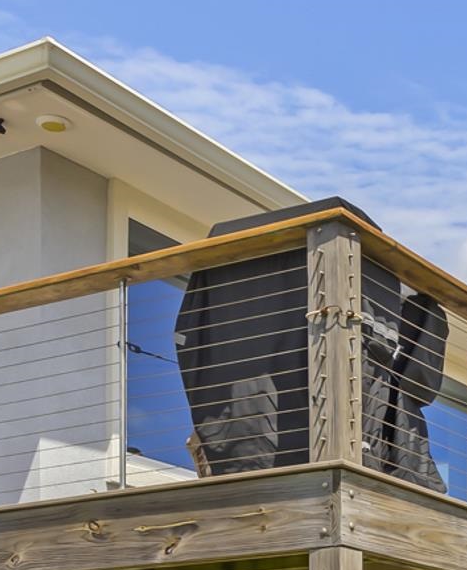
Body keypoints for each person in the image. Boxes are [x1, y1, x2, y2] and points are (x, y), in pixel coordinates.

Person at [175, 198, 448, 490]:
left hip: (242, 462)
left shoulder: (226, 310)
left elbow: (191, 346)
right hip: (326, 463)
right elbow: (416, 386)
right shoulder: (388, 377)